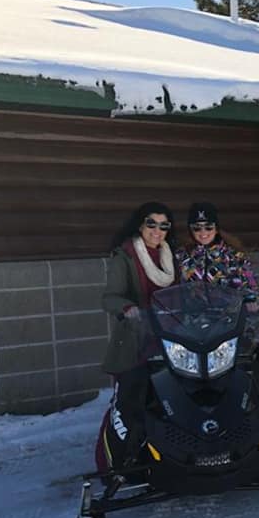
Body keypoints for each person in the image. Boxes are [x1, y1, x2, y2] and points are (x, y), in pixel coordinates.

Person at [176, 202, 259, 450]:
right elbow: (171, 291)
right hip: (195, 331)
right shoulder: (182, 257)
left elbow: (250, 291)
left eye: (208, 227)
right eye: (197, 227)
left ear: (217, 227)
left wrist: (249, 308)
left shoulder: (233, 257)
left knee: (248, 375)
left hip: (231, 328)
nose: (203, 232)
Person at [97, 202, 177, 472]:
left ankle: (168, 452)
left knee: (169, 398)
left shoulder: (171, 256)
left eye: (163, 225)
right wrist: (128, 308)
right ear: (140, 225)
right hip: (137, 338)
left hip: (170, 339)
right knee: (131, 401)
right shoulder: (126, 255)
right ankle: (115, 459)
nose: (157, 230)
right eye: (151, 223)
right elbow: (110, 296)